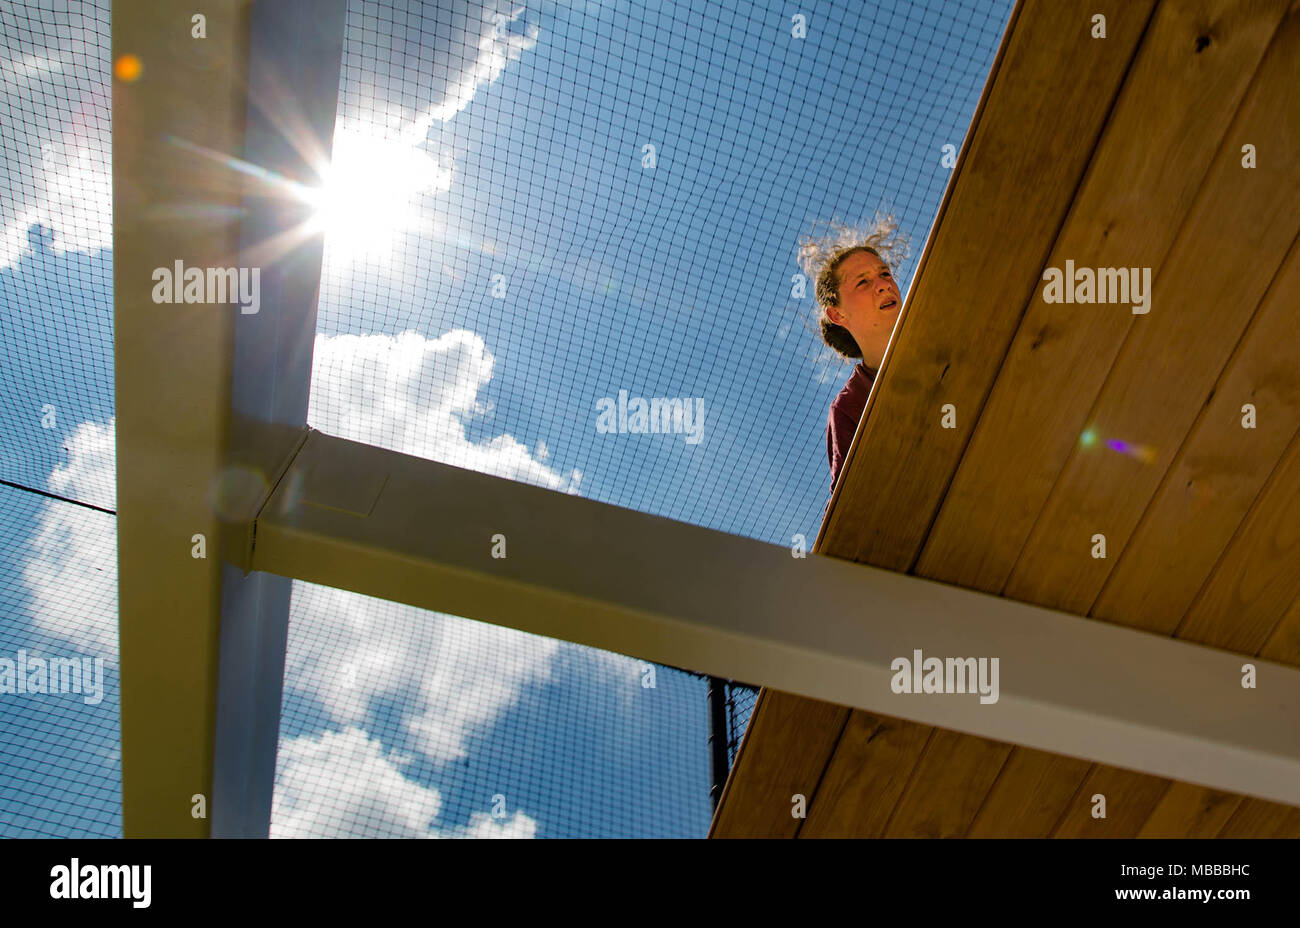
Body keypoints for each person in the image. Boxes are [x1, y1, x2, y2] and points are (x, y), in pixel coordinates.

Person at [797, 216, 908, 512]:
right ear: (838, 315)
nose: (884, 285)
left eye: (885, 273)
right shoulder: (849, 408)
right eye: (863, 282)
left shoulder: (948, 337)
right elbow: (848, 510)